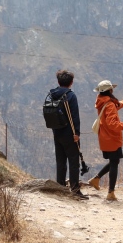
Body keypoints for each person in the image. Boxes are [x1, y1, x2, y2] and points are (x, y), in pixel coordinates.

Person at [87, 80, 123, 201]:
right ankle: (110, 192)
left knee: (114, 161)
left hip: (104, 136)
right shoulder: (110, 104)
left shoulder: (102, 102)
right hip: (112, 138)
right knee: (114, 163)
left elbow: (113, 107)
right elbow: (113, 124)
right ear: (110, 90)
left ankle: (96, 179)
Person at [49, 69, 88, 199]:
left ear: (58, 81)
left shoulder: (52, 94)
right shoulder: (70, 96)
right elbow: (74, 116)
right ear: (71, 82)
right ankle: (75, 190)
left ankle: (60, 188)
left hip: (56, 132)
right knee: (73, 162)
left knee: (60, 161)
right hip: (69, 134)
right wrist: (76, 133)